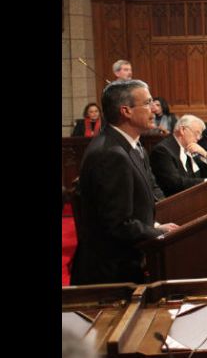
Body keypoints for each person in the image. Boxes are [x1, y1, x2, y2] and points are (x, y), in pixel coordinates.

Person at [70, 80, 178, 285]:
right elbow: (118, 224)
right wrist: (158, 232)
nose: (154, 109)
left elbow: (135, 205)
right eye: (147, 103)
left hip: (127, 262)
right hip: (111, 275)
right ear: (126, 111)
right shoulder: (110, 154)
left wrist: (154, 225)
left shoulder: (133, 146)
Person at [149, 115, 207, 196]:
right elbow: (175, 183)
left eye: (200, 135)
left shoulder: (191, 147)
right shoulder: (162, 150)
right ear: (182, 130)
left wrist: (204, 155)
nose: (198, 138)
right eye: (196, 133)